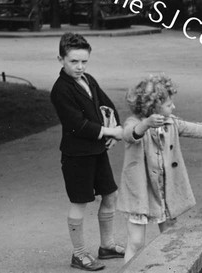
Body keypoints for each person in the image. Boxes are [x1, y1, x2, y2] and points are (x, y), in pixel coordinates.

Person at [117, 73, 202, 263]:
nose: (173, 107)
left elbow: (196, 128)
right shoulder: (134, 122)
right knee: (136, 242)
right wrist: (146, 124)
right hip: (141, 192)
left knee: (169, 238)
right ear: (154, 107)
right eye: (168, 104)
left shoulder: (171, 122)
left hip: (165, 191)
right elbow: (129, 135)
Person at [50, 32, 125, 271]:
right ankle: (79, 254)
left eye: (84, 61)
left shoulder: (88, 79)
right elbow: (77, 125)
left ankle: (107, 245)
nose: (80, 66)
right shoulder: (61, 89)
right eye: (74, 61)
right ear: (61, 59)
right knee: (80, 201)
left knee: (110, 194)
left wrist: (114, 128)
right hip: (76, 156)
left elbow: (107, 105)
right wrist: (108, 132)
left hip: (96, 151)